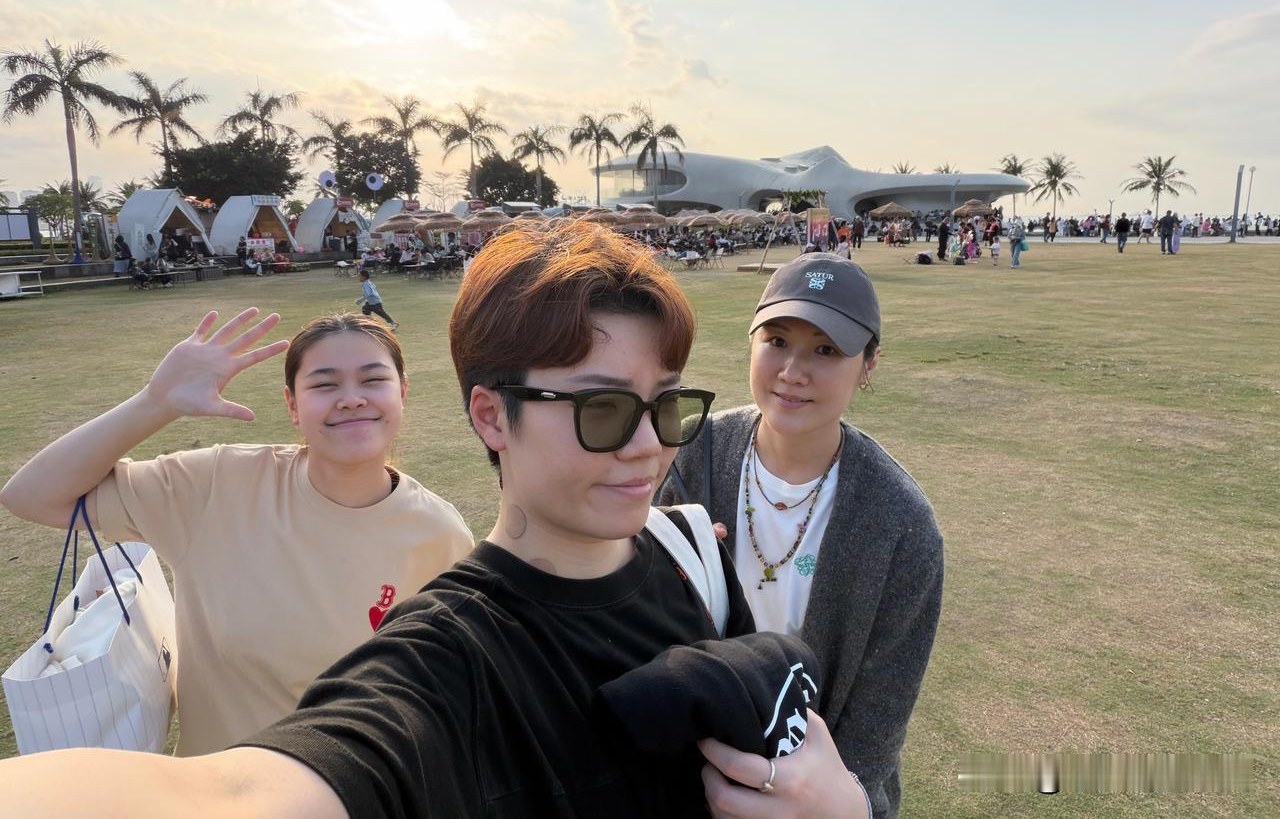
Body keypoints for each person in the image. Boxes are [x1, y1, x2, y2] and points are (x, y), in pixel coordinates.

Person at [0, 224, 872, 819]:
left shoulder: (690, 557)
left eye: (667, 405)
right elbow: (248, 793)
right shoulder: (446, 655)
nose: (649, 446)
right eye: (602, 409)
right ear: (492, 416)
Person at [0, 310, 474, 756]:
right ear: (293, 405)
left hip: (363, 790)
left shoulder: (440, 534)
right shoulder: (216, 485)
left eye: (373, 380)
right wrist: (155, 403)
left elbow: (447, 692)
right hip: (215, 791)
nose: (352, 398)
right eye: (324, 384)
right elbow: (31, 496)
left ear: (402, 392)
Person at [660, 253, 944, 819]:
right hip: (683, 771)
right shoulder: (694, 452)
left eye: (826, 350)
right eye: (777, 341)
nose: (793, 371)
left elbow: (878, 717)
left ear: (868, 366)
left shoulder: (902, 525)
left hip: (815, 794)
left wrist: (824, 801)